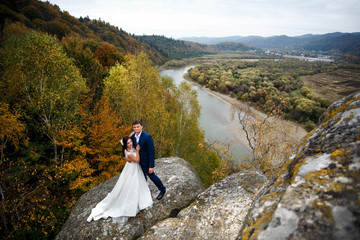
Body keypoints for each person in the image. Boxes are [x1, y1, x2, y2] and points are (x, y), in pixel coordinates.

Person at [87, 136, 153, 222]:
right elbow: (137, 160)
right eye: (128, 143)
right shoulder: (128, 153)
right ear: (125, 144)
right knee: (132, 184)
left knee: (136, 184)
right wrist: (137, 151)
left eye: (131, 142)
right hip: (133, 169)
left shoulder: (127, 149)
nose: (131, 143)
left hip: (132, 168)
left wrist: (134, 133)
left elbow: (131, 136)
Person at [130, 120, 166, 200]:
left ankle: (162, 190)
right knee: (142, 178)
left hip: (146, 162)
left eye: (138, 127)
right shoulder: (133, 136)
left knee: (152, 177)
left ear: (142, 127)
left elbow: (151, 152)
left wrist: (151, 166)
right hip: (138, 162)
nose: (136, 128)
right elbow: (124, 143)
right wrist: (129, 137)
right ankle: (144, 193)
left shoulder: (147, 137)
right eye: (134, 127)